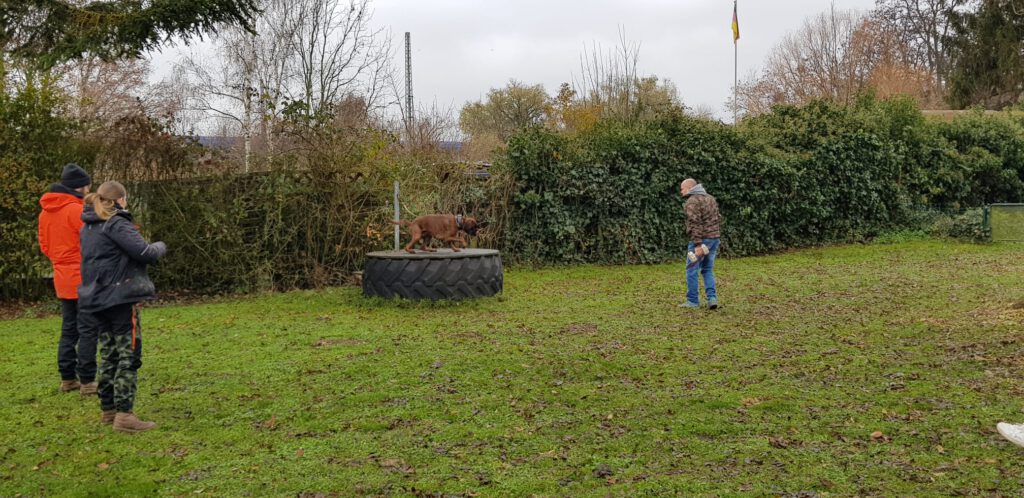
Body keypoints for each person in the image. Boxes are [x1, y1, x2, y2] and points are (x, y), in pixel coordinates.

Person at [78, 181, 166, 433]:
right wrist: (161, 246)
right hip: (120, 298)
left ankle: (108, 410)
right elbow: (146, 252)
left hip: (96, 299)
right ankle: (125, 415)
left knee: (109, 354)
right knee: (128, 355)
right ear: (120, 200)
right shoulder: (116, 223)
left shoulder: (88, 226)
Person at [37, 163, 97, 395]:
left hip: (61, 277)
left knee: (69, 328)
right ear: (80, 187)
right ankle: (88, 380)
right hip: (84, 275)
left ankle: (67, 378)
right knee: (88, 329)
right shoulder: (76, 211)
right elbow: (92, 242)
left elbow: (45, 246)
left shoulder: (45, 213)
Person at [679, 178, 721, 310]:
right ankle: (712, 298)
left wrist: (697, 245)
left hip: (701, 241)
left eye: (682, 188)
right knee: (707, 269)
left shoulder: (692, 201)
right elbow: (718, 218)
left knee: (691, 270)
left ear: (690, 187)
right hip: (714, 239)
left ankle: (692, 301)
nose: (681, 192)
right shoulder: (710, 198)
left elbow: (694, 223)